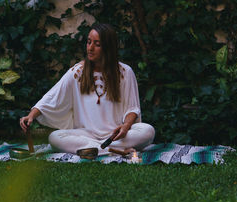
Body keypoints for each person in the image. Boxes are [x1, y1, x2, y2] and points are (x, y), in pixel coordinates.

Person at [19, 23, 155, 155]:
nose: (90, 48)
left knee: (148, 131)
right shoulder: (77, 72)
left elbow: (133, 108)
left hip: (114, 136)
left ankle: (96, 149)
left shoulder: (125, 72)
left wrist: (125, 127)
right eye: (89, 42)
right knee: (55, 137)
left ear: (108, 48)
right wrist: (31, 115)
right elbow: (52, 97)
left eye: (97, 44)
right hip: (86, 134)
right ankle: (115, 151)